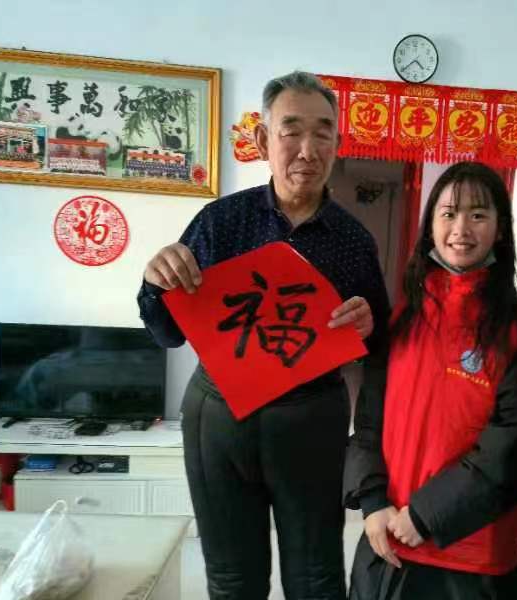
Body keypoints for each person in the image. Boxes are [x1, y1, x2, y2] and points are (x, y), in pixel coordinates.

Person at [137, 71, 390, 600]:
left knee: (316, 578)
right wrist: (155, 284)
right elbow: (168, 334)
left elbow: (379, 339)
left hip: (311, 422)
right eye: (290, 131)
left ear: (337, 144)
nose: (307, 150)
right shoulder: (220, 222)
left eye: (322, 133)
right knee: (233, 579)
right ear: (262, 140)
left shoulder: (353, 240)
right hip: (220, 419)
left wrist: (368, 324)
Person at [343, 161, 517, 599]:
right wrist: (372, 502)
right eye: (448, 213)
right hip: (388, 545)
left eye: (478, 214)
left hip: (471, 562)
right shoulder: (402, 319)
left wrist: (426, 516)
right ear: (430, 227)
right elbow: (368, 422)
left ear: (500, 229)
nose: (461, 228)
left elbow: (513, 451)